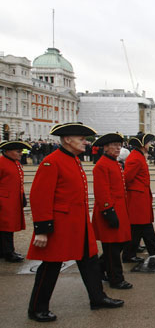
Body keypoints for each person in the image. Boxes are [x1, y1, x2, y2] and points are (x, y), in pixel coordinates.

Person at [27, 123, 123, 322]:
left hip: (78, 223)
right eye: (81, 139)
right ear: (67, 140)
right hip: (60, 225)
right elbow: (40, 197)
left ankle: (97, 298)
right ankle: (37, 307)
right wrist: (42, 229)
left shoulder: (73, 159)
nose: (85, 142)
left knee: (90, 262)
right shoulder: (51, 162)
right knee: (50, 267)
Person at [91, 133, 133, 289]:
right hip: (109, 211)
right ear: (106, 147)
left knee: (118, 245)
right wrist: (108, 211)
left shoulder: (114, 163)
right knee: (112, 249)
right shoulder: (102, 165)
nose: (118, 148)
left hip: (119, 209)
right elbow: (102, 192)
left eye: (119, 145)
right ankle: (116, 278)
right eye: (114, 145)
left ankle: (101, 269)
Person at [122, 132, 155, 263]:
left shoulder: (138, 156)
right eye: (148, 143)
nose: (150, 145)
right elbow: (127, 178)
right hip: (137, 197)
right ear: (142, 145)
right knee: (137, 227)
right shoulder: (135, 158)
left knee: (145, 224)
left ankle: (153, 247)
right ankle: (128, 254)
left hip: (141, 196)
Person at [0, 140, 30, 262]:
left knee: (8, 227)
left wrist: (22, 197)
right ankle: (8, 252)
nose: (21, 154)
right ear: (8, 151)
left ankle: (4, 250)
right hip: (3, 201)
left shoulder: (15, 163)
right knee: (6, 228)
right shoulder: (1, 163)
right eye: (18, 151)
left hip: (12, 200)